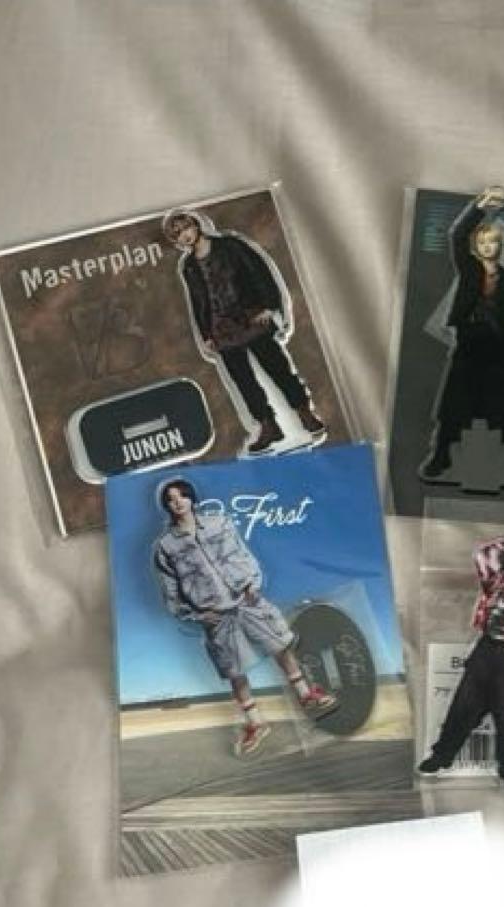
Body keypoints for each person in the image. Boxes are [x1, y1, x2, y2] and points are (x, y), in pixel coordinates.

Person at [152, 478, 338, 757]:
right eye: (170, 499)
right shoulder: (165, 546)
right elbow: (170, 591)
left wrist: (253, 582)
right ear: (166, 505)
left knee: (280, 645)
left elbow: (242, 553)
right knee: (234, 671)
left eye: (182, 496)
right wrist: (196, 615)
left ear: (192, 498)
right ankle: (255, 723)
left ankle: (305, 695)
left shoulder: (219, 522)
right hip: (215, 615)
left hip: (246, 599)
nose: (177, 502)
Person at [163, 208, 328, 456]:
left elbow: (258, 272)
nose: (184, 235)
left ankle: (304, 413)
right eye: (177, 234)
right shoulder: (189, 266)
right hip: (222, 329)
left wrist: (268, 306)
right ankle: (267, 425)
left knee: (278, 368)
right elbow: (199, 302)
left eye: (185, 227)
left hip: (251, 317)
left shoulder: (229, 245)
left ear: (195, 225)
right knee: (243, 382)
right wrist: (206, 333)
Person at [419, 187, 504, 485]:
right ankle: (440, 456)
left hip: (502, 352)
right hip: (470, 346)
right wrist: (479, 206)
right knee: (453, 408)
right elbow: (456, 235)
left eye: (492, 242)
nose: (488, 246)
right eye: (483, 242)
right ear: (477, 246)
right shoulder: (470, 271)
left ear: (500, 246)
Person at [418, 532, 504, 789]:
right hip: (486, 649)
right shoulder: (496, 579)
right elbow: (481, 553)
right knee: (463, 706)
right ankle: (441, 756)